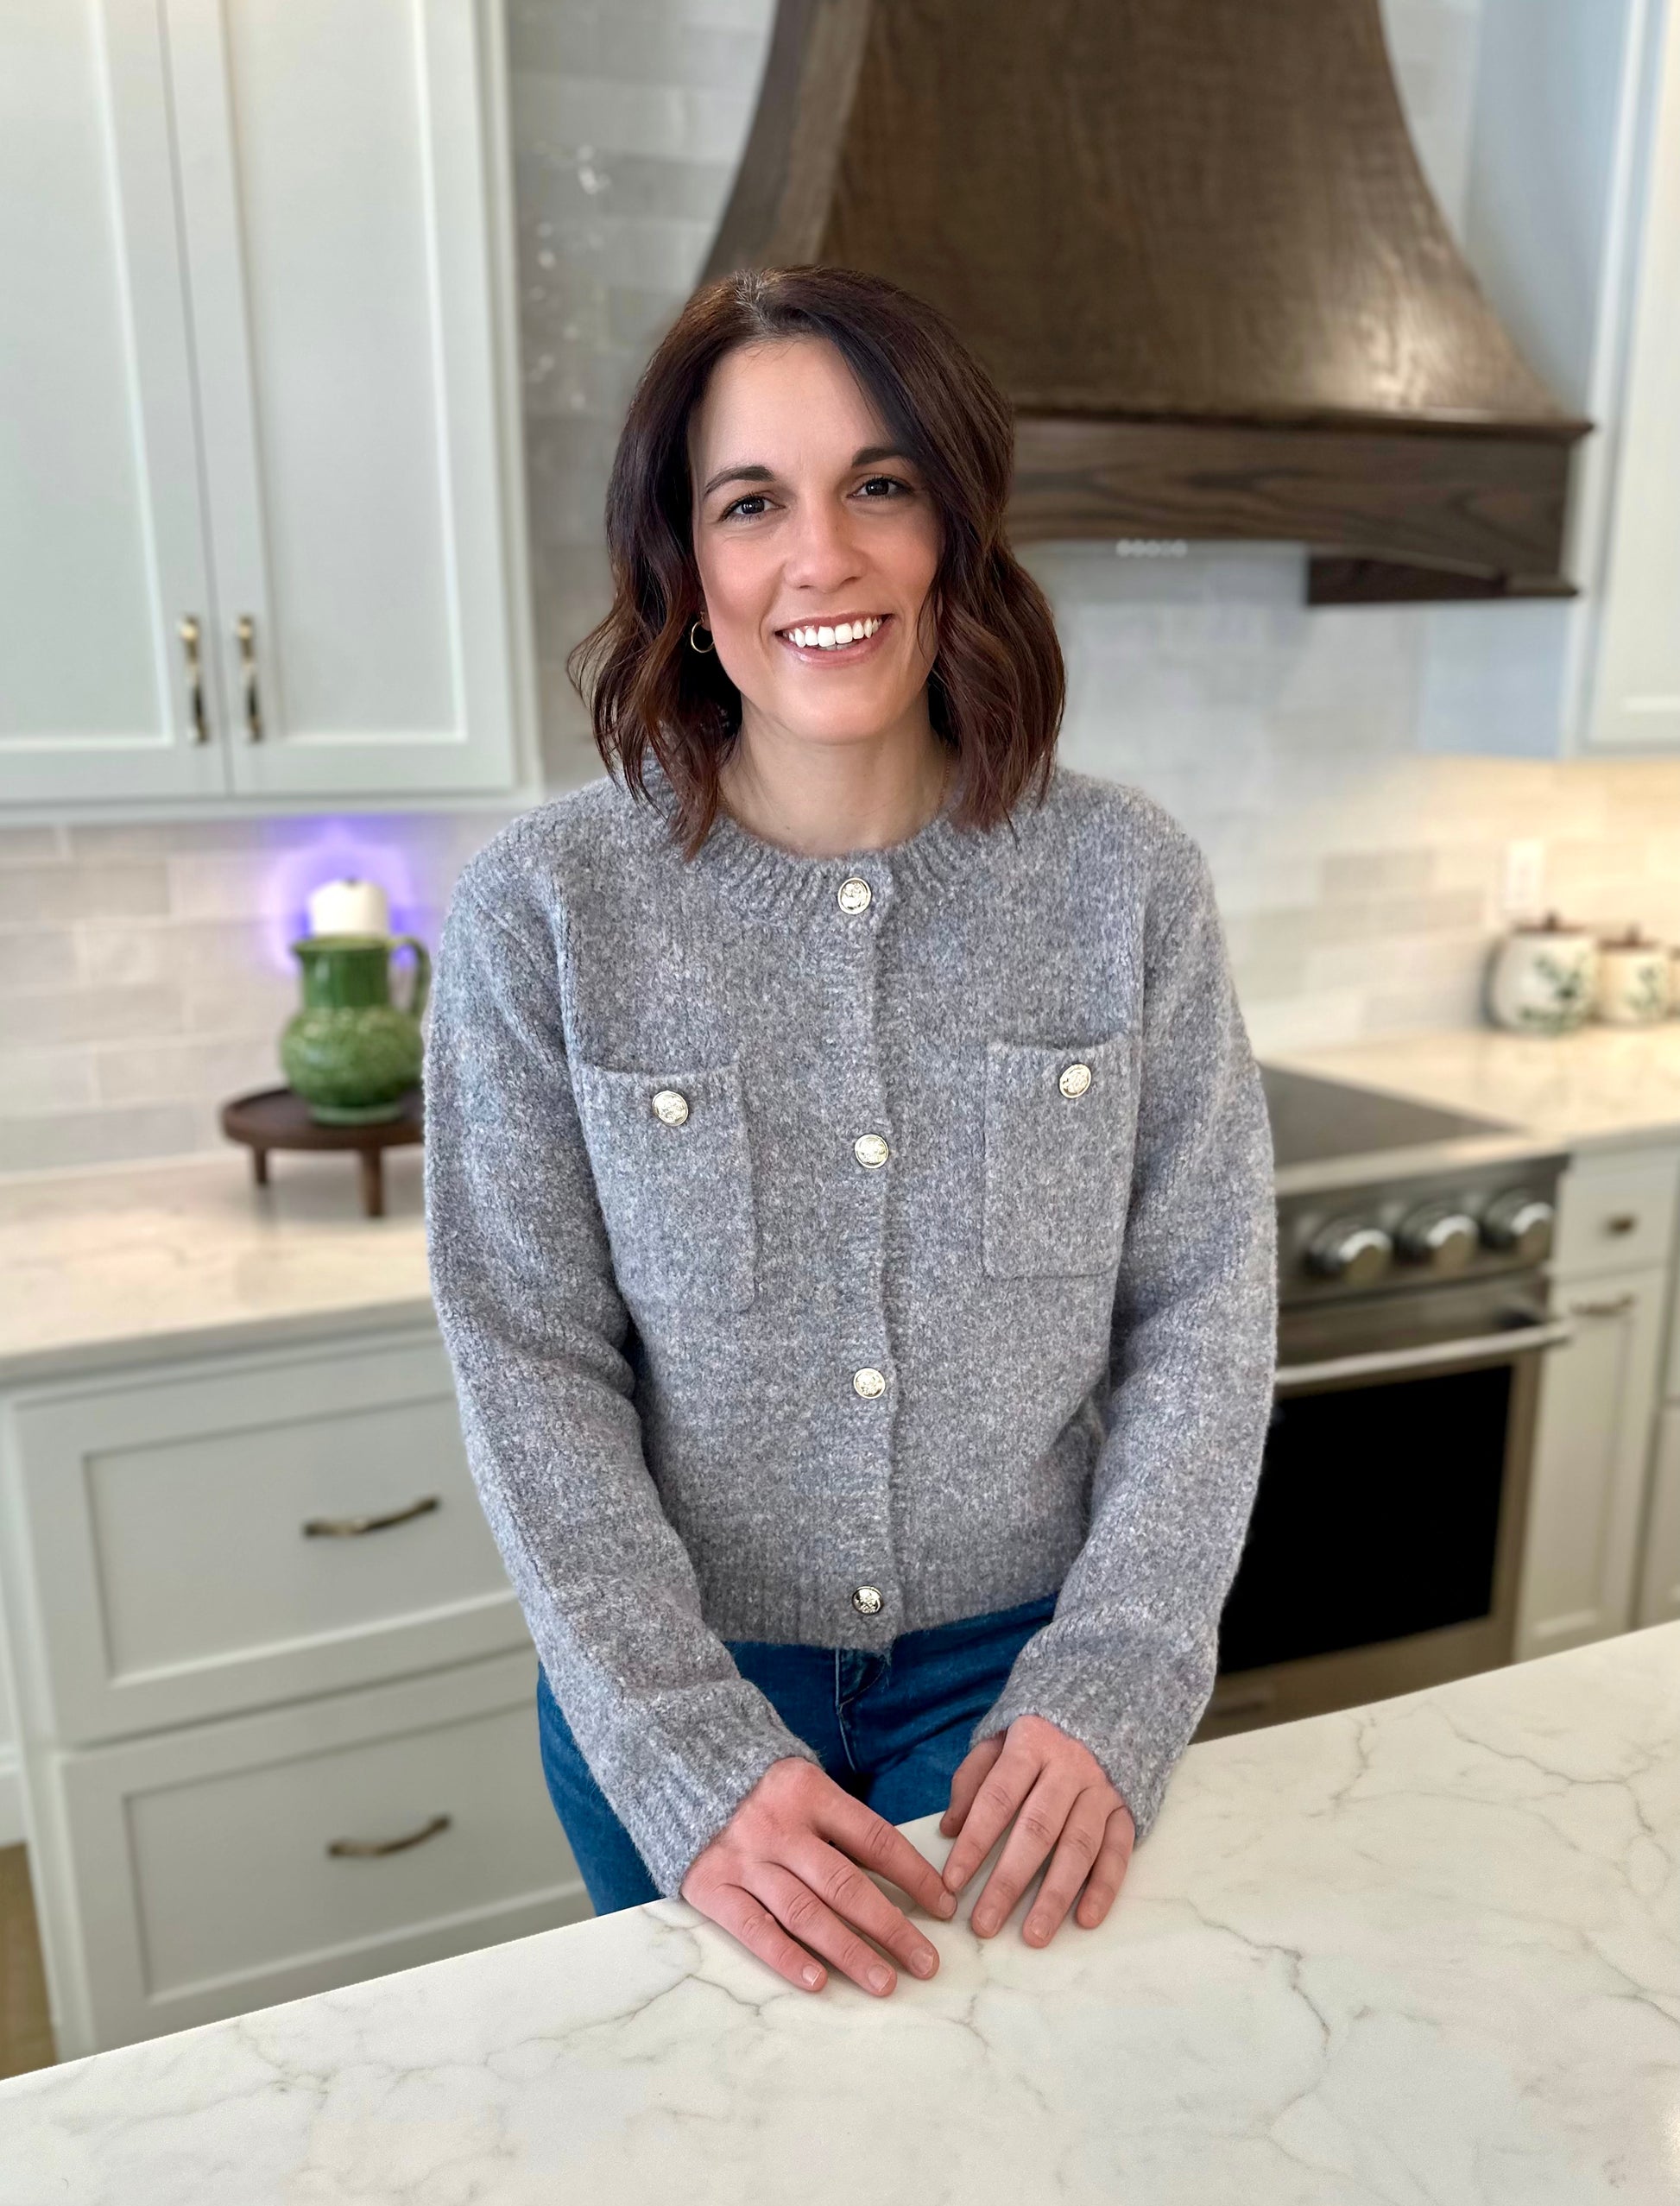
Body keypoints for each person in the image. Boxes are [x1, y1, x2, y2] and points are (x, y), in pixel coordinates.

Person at [424, 264, 1277, 2001]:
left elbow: (1204, 1299)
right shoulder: (546, 911)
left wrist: (1117, 1669)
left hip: (1021, 1692)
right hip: (674, 1683)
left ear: (954, 524)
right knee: (724, 2124)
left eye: (877, 484)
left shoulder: (1121, 881)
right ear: (684, 565)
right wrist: (680, 1743)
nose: (820, 556)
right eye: (752, 503)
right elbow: (528, 1357)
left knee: (1017, 2109)